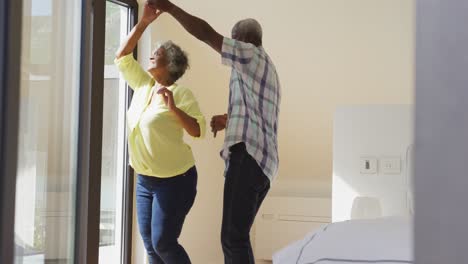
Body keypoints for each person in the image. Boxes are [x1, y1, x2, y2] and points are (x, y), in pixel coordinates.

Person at [148, 1, 281, 263]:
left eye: (232, 42)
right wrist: (228, 119)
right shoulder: (266, 68)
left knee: (233, 238)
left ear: (241, 40)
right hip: (264, 164)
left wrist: (170, 8)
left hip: (248, 155)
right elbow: (260, 114)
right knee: (237, 236)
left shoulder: (250, 54)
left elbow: (206, 34)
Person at [114, 3, 206, 264]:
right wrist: (143, 23)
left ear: (171, 63)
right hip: (145, 180)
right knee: (152, 247)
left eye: (158, 53)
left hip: (176, 181)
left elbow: (198, 130)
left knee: (163, 243)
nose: (152, 55)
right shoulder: (144, 84)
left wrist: (173, 108)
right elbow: (121, 57)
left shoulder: (182, 94)